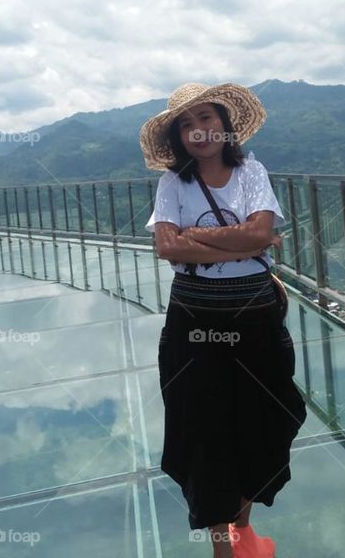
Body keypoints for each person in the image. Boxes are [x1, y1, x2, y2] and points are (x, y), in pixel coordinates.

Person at [140, 82, 307, 558]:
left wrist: (202, 235)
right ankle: (225, 545)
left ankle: (243, 532)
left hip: (252, 314)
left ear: (225, 124)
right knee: (204, 426)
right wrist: (249, 244)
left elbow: (260, 229)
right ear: (177, 137)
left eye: (207, 119)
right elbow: (167, 247)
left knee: (262, 417)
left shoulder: (252, 171)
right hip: (195, 319)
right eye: (187, 125)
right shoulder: (173, 182)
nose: (199, 131)